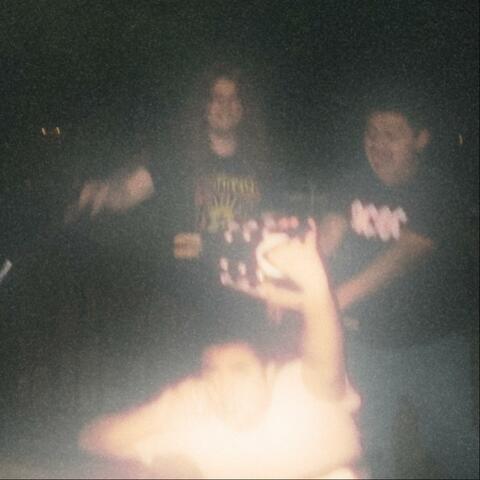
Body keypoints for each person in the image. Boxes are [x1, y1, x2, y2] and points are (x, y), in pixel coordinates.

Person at [78, 221, 365, 479]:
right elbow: (91, 440)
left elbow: (324, 359)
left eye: (240, 371)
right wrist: (158, 414)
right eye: (212, 371)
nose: (224, 383)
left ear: (268, 374)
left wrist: (315, 287)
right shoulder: (199, 421)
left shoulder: (297, 391)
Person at [319, 90, 479, 478]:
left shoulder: (438, 191)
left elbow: (402, 258)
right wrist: (297, 281)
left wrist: (329, 301)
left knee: (454, 444)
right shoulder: (351, 183)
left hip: (433, 347)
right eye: (371, 133)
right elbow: (325, 242)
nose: (378, 143)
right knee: (368, 447)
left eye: (391, 134)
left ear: (420, 139)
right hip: (364, 345)